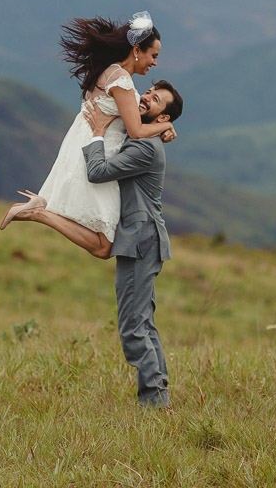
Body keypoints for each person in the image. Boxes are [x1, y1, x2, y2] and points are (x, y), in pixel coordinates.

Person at [0, 11, 175, 258]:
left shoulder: (109, 71)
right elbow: (136, 131)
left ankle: (40, 209)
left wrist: (164, 125)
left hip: (85, 147)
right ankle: (38, 212)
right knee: (104, 246)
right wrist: (165, 126)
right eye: (153, 55)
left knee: (104, 244)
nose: (155, 63)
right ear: (137, 50)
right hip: (97, 153)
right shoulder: (122, 81)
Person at [80, 86, 182, 408]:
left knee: (132, 328)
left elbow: (97, 173)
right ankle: (159, 395)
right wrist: (165, 126)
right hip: (143, 240)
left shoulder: (145, 149)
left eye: (155, 99)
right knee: (144, 322)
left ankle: (154, 403)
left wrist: (97, 134)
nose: (146, 96)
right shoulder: (144, 134)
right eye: (149, 91)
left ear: (162, 115)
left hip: (139, 241)